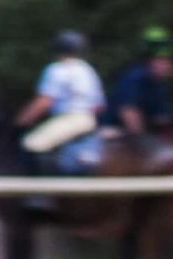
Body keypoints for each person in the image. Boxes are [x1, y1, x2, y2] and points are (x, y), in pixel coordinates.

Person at [16, 31, 107, 171]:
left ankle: (39, 190)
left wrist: (22, 120)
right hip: (89, 119)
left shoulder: (57, 69)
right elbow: (99, 106)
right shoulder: (87, 69)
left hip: (68, 119)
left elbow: (44, 101)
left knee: (32, 143)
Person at [109, 26, 173, 138]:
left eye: (169, 61)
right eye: (163, 61)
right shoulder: (135, 77)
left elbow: (162, 118)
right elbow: (129, 113)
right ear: (151, 61)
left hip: (143, 134)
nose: (169, 66)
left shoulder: (160, 84)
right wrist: (144, 140)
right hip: (115, 130)